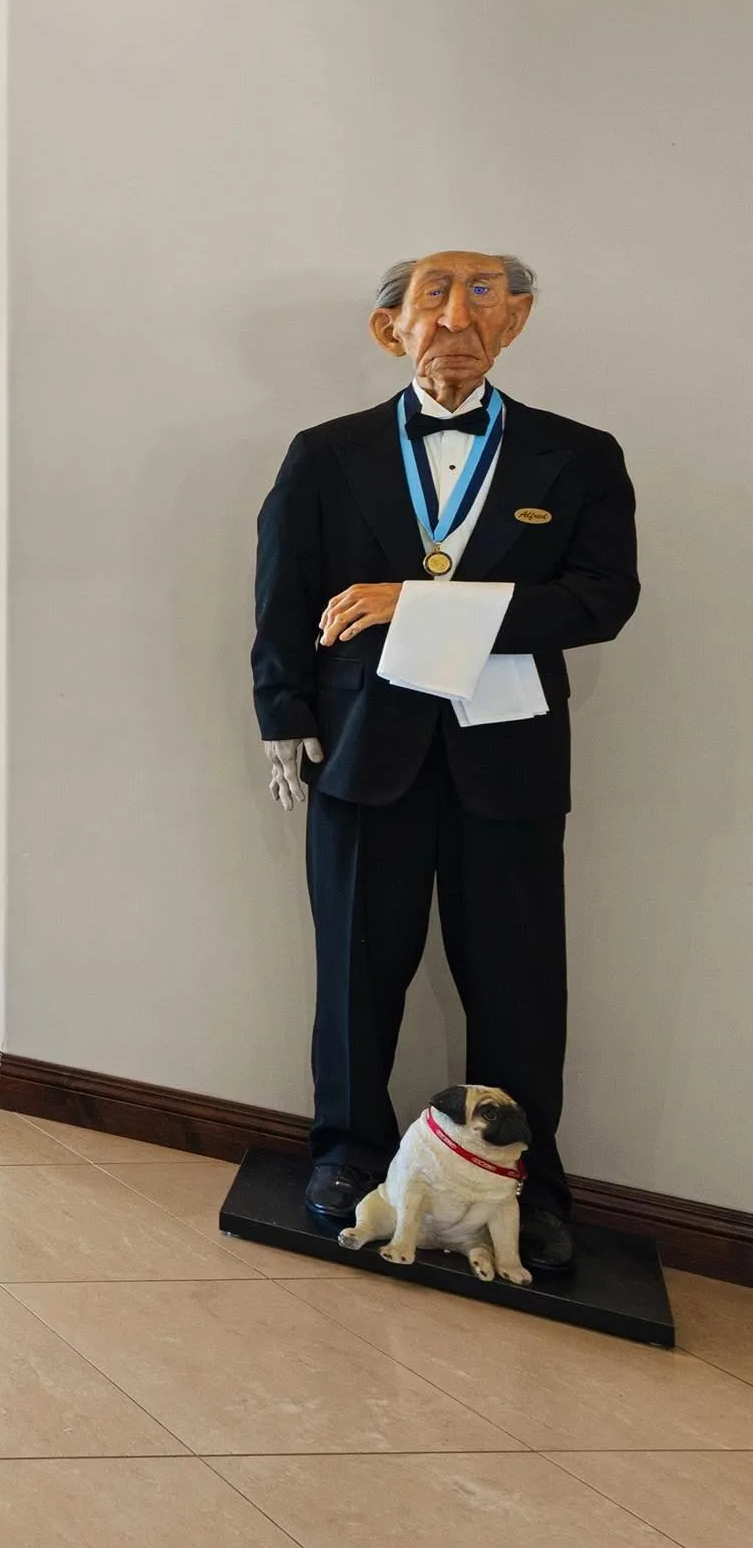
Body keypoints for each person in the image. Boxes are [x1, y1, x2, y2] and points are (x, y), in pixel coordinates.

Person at [249, 251, 638, 1274]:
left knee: (519, 981)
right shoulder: (325, 453)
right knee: (354, 969)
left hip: (510, 756)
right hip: (360, 750)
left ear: (517, 320)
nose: (458, 318)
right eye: (436, 297)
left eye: (483, 298)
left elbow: (601, 600)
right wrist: (280, 714)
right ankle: (345, 1154)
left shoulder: (580, 455)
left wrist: (418, 604)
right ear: (391, 329)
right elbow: (284, 594)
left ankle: (527, 1186)